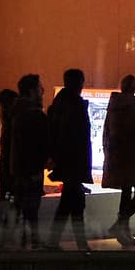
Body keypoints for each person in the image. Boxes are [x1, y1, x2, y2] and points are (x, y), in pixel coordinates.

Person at [103, 72, 135, 250]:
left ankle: (123, 229)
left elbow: (107, 133)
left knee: (126, 193)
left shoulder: (113, 108)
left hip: (119, 157)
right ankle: (121, 224)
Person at [47, 66, 96, 248]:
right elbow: (76, 137)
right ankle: (78, 243)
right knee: (74, 204)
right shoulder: (74, 106)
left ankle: (62, 241)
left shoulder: (59, 105)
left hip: (67, 163)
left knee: (71, 204)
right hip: (74, 162)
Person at [0, 75, 47, 244]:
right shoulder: (33, 114)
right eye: (39, 88)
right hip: (30, 170)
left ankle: (10, 241)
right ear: (32, 91)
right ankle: (32, 240)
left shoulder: (15, 113)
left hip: (17, 170)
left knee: (17, 208)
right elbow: (37, 145)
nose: (42, 91)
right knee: (30, 209)